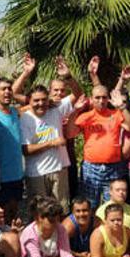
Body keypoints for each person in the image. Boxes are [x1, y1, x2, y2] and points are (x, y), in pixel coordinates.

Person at [69, 69, 130, 209]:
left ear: (108, 99)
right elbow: (70, 133)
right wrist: (75, 111)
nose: (101, 101)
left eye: (104, 97)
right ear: (92, 99)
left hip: (114, 168)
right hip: (91, 168)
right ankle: (90, 231)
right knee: (89, 205)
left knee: (112, 207)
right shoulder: (86, 117)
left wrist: (122, 107)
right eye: (97, 98)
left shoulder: (116, 114)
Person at [20, 83, 76, 211]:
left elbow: (77, 94)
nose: (41, 103)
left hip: (58, 170)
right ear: (29, 101)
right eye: (36, 100)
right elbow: (26, 150)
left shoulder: (56, 110)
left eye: (44, 99)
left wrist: (68, 78)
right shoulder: (25, 118)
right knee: (40, 213)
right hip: (36, 174)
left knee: (61, 210)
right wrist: (51, 143)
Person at [0, 77, 24, 223]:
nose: (7, 91)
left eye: (9, 88)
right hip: (0, 177)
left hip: (16, 174)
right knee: (1, 217)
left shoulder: (15, 112)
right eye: (3, 89)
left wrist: (26, 72)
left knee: (14, 215)